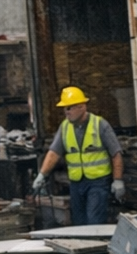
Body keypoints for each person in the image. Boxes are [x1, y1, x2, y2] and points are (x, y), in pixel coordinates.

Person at [32, 86, 125, 226]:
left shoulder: (100, 125)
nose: (66, 112)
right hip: (77, 183)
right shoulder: (65, 127)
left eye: (69, 108)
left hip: (98, 182)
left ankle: (95, 246)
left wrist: (117, 180)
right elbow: (54, 153)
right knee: (79, 222)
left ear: (82, 107)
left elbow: (116, 153)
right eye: (64, 109)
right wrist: (42, 175)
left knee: (94, 220)